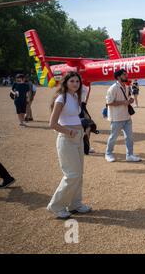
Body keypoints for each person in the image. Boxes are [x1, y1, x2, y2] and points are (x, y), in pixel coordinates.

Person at [47, 72, 92, 219]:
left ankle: (75, 204)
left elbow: (75, 116)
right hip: (67, 139)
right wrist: (69, 131)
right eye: (72, 81)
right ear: (66, 82)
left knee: (78, 174)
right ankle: (56, 206)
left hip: (78, 138)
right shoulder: (62, 98)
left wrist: (84, 128)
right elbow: (52, 123)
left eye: (77, 81)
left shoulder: (74, 97)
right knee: (72, 175)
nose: (75, 84)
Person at [105, 69, 141, 163]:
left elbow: (127, 98)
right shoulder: (113, 88)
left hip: (127, 116)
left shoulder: (126, 86)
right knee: (113, 137)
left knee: (129, 137)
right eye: (124, 74)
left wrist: (130, 100)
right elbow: (109, 102)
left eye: (126, 74)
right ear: (118, 77)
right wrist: (123, 102)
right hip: (116, 118)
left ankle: (129, 155)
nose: (126, 76)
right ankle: (108, 153)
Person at [80, 84, 96, 155]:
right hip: (78, 106)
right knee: (86, 125)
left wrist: (84, 104)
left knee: (88, 125)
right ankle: (82, 146)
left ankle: (86, 146)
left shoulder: (87, 85)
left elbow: (86, 95)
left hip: (83, 105)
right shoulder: (77, 83)